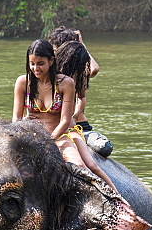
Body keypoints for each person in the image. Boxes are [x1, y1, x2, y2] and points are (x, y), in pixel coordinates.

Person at [12, 39, 118, 191]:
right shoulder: (22, 82)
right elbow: (16, 119)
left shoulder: (65, 83)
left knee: (83, 167)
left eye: (40, 63)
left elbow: (65, 120)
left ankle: (115, 197)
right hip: (32, 134)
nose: (36, 68)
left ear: (51, 61)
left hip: (60, 135)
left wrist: (48, 141)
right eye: (32, 63)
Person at [47, 27, 113, 157]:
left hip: (78, 125)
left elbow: (93, 70)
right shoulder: (48, 69)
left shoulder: (77, 72)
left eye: (55, 48)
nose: (54, 51)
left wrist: (75, 115)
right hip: (55, 124)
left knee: (104, 148)